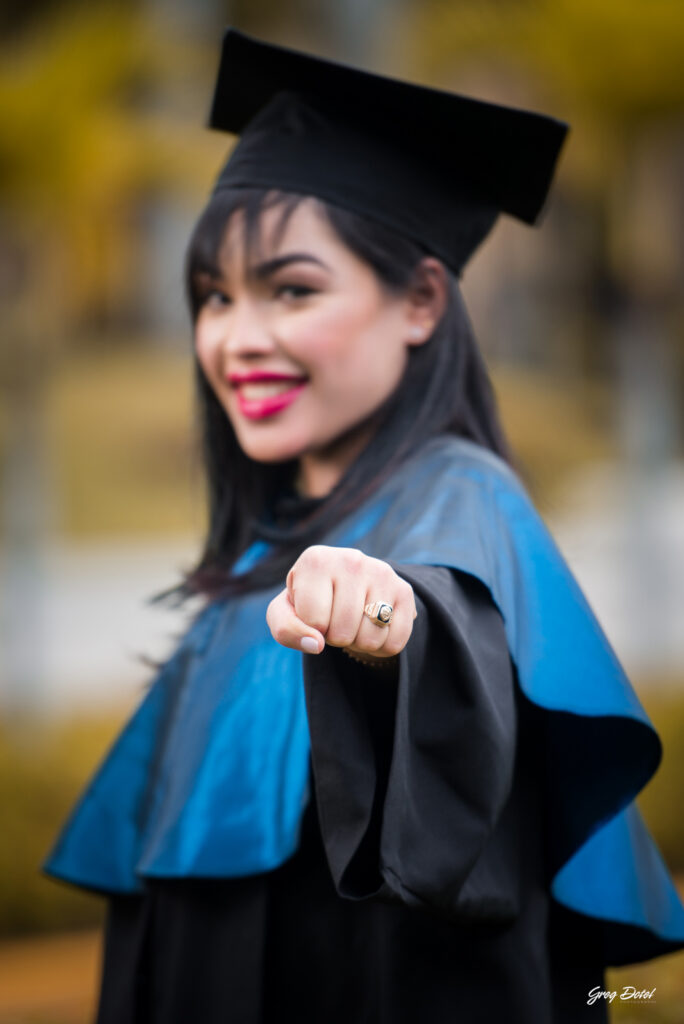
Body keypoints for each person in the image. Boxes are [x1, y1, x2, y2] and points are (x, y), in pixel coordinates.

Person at [45, 28, 684, 1024]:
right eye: (214, 296)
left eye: (292, 289)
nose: (235, 338)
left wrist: (390, 627)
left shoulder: (461, 497)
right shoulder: (275, 536)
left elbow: (445, 613)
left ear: (422, 301)